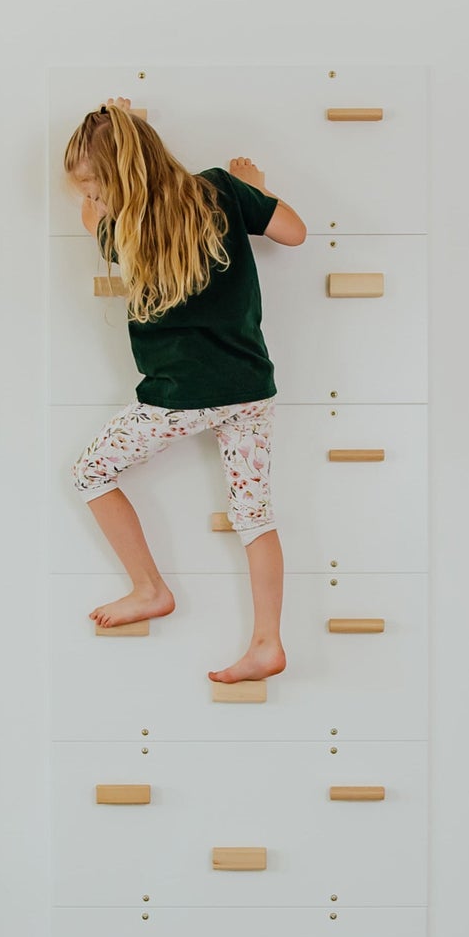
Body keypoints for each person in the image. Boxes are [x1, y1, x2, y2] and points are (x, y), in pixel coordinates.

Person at [65, 98, 307, 683]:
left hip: (178, 396)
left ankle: (149, 588)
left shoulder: (120, 228)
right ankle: (268, 643)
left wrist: (100, 200)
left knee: (90, 473)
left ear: (116, 183)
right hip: (250, 386)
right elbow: (295, 233)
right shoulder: (223, 190)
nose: (92, 198)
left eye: (95, 187)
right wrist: (255, 189)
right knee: (254, 515)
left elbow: (93, 218)